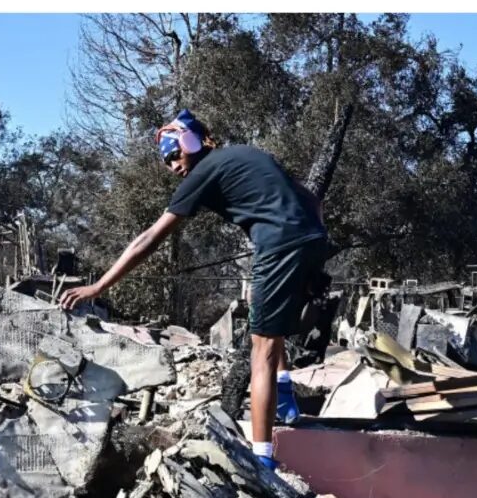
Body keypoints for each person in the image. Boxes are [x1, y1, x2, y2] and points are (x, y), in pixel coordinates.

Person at [60, 109, 328, 469]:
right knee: (270, 325)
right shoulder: (246, 155)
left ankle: (264, 462)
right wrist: (310, 243)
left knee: (259, 348)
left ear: (192, 143)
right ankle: (284, 397)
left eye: (174, 155)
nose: (172, 167)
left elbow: (149, 239)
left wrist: (99, 286)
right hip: (312, 238)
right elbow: (313, 200)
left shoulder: (205, 170)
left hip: (278, 246)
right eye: (167, 161)